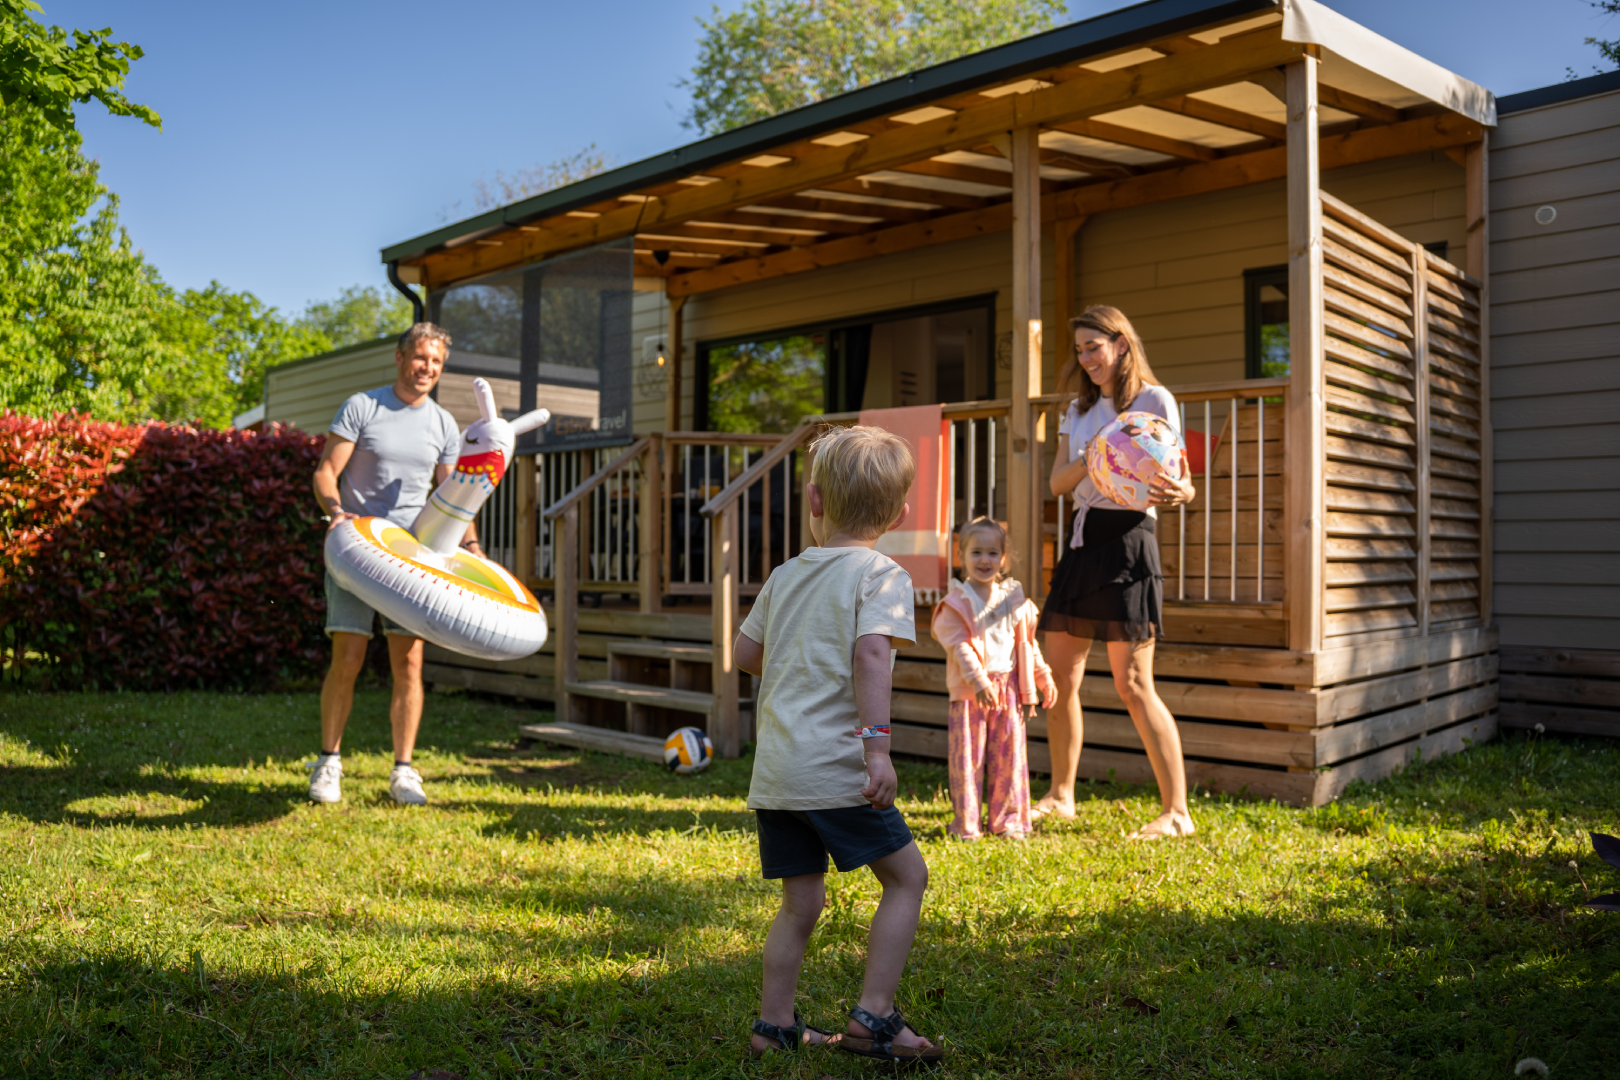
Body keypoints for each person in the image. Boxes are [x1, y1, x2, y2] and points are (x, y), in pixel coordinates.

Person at [733, 424, 942, 1064]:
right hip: (836, 768)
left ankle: (774, 1029)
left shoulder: (785, 574)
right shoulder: (880, 574)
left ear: (814, 501)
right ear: (900, 513)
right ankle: (873, 1018)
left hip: (777, 773)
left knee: (801, 902)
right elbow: (872, 655)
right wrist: (876, 749)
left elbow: (745, 656)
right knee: (907, 878)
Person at [1033, 305, 1199, 840]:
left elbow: (1183, 479)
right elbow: (1058, 482)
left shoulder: (1155, 400)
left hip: (1129, 540)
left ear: (1121, 344)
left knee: (1132, 683)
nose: (1085, 359)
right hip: (1082, 543)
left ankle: (1177, 812)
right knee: (1061, 679)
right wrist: (1094, 453)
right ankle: (1061, 797)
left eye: (1093, 348)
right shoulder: (1078, 410)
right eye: (1079, 351)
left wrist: (1183, 492)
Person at [306, 323, 478, 807]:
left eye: (437, 363)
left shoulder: (444, 424)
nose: (428, 369)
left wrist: (474, 547)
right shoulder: (364, 406)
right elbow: (325, 471)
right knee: (349, 657)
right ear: (401, 357)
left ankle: (403, 772)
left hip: (411, 558)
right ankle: (328, 763)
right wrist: (336, 513)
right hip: (356, 550)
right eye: (421, 358)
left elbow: (453, 498)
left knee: (410, 662)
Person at [930, 518, 1056, 841]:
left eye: (992, 552)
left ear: (1004, 558)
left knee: (1009, 758)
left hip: (1009, 690)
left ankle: (1008, 821)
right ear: (961, 557)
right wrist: (978, 680)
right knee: (968, 760)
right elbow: (958, 645)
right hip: (973, 692)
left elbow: (1027, 644)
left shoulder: (1012, 600)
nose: (984, 560)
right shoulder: (958, 603)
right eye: (976, 553)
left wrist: (1043, 677)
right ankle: (967, 825)